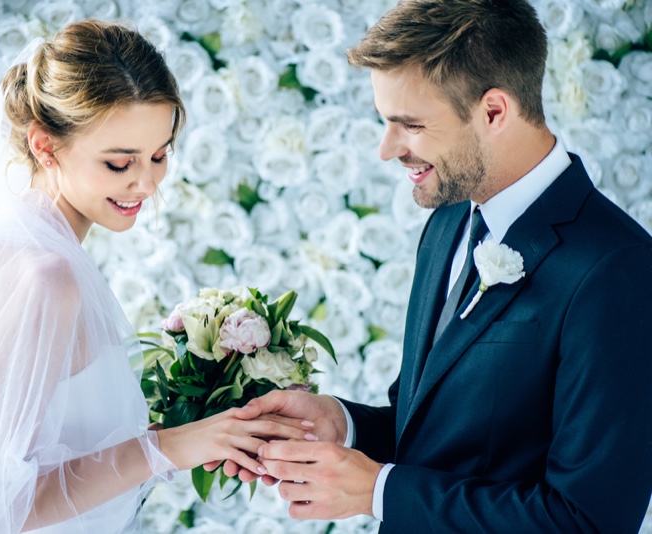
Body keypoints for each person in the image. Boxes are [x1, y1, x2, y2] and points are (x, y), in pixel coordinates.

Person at [217, 0, 652, 531]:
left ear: (494, 111)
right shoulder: (447, 222)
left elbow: (588, 521)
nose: (387, 149)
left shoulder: (616, 270)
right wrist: (345, 425)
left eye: (411, 125)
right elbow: (431, 433)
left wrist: (377, 491)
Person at [0, 20, 309, 533]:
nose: (145, 183)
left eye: (160, 155)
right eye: (119, 163)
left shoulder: (14, 239)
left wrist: (201, 422)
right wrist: (170, 446)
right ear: (44, 145)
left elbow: (56, 438)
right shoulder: (46, 278)